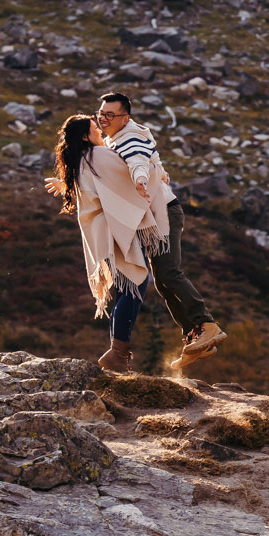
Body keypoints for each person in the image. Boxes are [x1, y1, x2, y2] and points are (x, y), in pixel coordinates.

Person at [93, 92, 226, 367]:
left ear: (124, 118)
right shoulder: (116, 139)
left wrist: (140, 180)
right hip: (152, 219)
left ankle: (206, 325)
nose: (103, 119)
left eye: (109, 115)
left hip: (162, 215)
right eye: (100, 114)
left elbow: (137, 161)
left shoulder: (129, 138)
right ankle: (195, 337)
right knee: (163, 282)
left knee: (168, 273)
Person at [47, 114, 158, 373]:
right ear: (86, 135)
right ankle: (117, 353)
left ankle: (117, 356)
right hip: (116, 230)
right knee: (135, 285)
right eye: (95, 128)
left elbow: (94, 188)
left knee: (124, 289)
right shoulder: (100, 155)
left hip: (102, 234)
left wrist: (65, 185)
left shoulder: (81, 160)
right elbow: (127, 176)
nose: (100, 131)